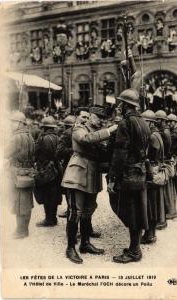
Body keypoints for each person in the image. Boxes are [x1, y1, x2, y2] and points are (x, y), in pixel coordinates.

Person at [62, 106, 118, 264]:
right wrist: (109, 131)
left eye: (103, 119)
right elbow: (85, 139)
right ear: (91, 116)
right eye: (98, 118)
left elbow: (103, 151)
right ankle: (70, 247)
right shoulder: (80, 128)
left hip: (92, 174)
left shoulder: (96, 132)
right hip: (77, 174)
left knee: (88, 210)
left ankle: (85, 243)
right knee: (75, 211)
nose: (101, 121)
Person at [108, 89, 151, 263]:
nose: (118, 106)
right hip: (140, 171)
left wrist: (112, 177)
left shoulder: (125, 124)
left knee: (129, 210)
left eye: (121, 103)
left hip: (128, 174)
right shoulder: (143, 122)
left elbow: (120, 154)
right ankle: (135, 247)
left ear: (126, 105)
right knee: (138, 209)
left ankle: (134, 251)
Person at [5, 111, 35, 239]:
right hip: (28, 172)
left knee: (18, 203)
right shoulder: (29, 135)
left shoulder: (15, 137)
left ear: (20, 123)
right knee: (27, 202)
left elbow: (5, 153)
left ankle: (21, 231)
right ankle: (24, 230)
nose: (11, 125)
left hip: (17, 173)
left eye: (13, 122)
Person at [34, 116, 62, 227]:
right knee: (55, 194)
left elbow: (35, 153)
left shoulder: (42, 138)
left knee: (46, 195)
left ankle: (48, 219)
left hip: (45, 170)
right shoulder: (58, 138)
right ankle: (53, 218)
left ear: (44, 127)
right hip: (56, 169)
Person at [141, 110, 164, 244]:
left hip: (152, 171)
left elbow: (151, 156)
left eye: (144, 121)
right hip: (156, 169)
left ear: (149, 122)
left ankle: (149, 234)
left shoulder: (152, 136)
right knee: (153, 203)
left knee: (150, 204)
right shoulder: (157, 134)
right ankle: (151, 233)